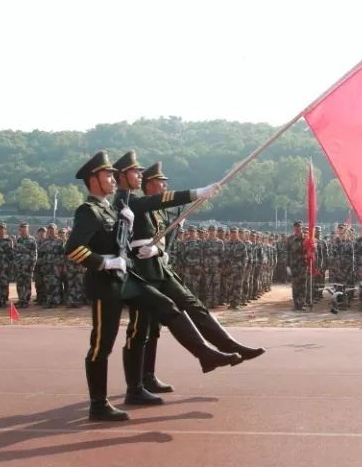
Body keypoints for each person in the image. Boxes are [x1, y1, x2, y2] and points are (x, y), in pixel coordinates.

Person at [66, 151, 243, 421]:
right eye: (108, 175)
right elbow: (74, 249)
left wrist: (133, 238)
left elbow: (134, 224)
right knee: (102, 345)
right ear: (93, 179)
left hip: (126, 279)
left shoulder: (111, 208)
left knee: (166, 305)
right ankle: (98, 404)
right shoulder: (88, 211)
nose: (113, 179)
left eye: (115, 175)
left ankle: (205, 354)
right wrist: (105, 263)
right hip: (105, 284)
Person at [113, 154, 264, 405]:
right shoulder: (127, 201)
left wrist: (158, 250)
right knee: (142, 329)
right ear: (147, 184)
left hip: (158, 268)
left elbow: (159, 241)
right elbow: (122, 237)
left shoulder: (150, 209)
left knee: (190, 304)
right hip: (141, 272)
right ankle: (136, 385)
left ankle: (226, 344)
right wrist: (196, 192)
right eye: (159, 181)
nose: (164, 186)